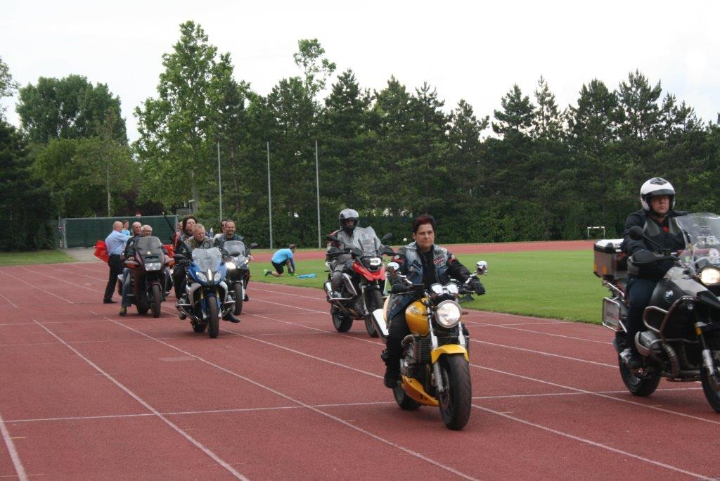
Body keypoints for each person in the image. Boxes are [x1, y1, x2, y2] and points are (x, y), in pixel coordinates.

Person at [382, 214, 485, 388]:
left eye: (429, 232)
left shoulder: (443, 253)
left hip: (439, 300)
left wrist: (473, 280)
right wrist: (397, 282)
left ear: (434, 234)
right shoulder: (404, 252)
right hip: (409, 299)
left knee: (461, 331)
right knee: (396, 333)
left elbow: (457, 267)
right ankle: (392, 370)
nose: (426, 236)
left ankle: (458, 368)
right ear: (414, 235)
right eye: (422, 233)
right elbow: (394, 268)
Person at [620, 177, 686, 368]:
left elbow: (700, 236)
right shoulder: (637, 220)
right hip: (647, 275)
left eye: (666, 197)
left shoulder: (682, 219)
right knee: (640, 302)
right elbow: (630, 239)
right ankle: (631, 349)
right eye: (657, 198)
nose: (663, 201)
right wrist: (639, 251)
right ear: (646, 201)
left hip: (679, 275)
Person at [176, 224, 240, 323]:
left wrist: (225, 256)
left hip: (211, 266)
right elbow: (182, 253)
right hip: (195, 267)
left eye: (203, 233)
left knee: (225, 277)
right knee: (183, 276)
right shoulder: (187, 243)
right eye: (199, 233)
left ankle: (228, 308)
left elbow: (220, 250)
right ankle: (183, 300)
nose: (201, 235)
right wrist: (183, 259)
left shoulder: (211, 241)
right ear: (194, 233)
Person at [325, 208, 382, 298]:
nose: (350, 223)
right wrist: (333, 250)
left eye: (352, 221)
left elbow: (372, 242)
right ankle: (334, 293)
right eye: (348, 221)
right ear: (343, 222)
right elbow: (329, 248)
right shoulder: (336, 235)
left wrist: (381, 247)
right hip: (342, 261)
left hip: (361, 259)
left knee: (378, 269)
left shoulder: (363, 234)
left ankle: (379, 291)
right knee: (338, 274)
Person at [214, 220, 250, 301]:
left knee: (247, 270)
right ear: (225, 228)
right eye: (228, 227)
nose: (230, 229)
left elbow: (246, 248)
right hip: (225, 261)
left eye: (232, 227)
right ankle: (221, 292)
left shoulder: (240, 239)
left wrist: (248, 255)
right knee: (220, 275)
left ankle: (243, 290)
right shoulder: (219, 240)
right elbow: (217, 249)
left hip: (238, 261)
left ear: (235, 228)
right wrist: (223, 255)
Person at [103, 221, 131, 304]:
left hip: (112, 259)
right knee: (124, 277)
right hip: (117, 259)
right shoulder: (117, 235)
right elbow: (130, 238)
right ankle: (126, 297)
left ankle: (107, 298)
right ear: (117, 227)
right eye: (121, 226)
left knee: (112, 279)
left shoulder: (109, 237)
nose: (122, 228)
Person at [118, 222, 143, 316]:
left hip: (147, 264)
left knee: (165, 270)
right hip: (136, 264)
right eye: (136, 227)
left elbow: (159, 248)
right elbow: (129, 250)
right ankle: (124, 305)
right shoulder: (131, 240)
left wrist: (164, 254)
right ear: (133, 229)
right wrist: (130, 256)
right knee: (126, 275)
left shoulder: (149, 239)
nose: (138, 229)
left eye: (140, 227)